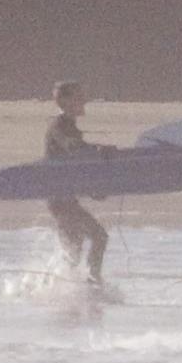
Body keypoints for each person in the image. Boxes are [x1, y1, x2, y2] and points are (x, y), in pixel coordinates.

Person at [41, 80, 110, 286]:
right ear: (64, 101)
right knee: (98, 237)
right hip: (59, 199)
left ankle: (49, 287)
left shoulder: (67, 125)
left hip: (64, 198)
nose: (84, 100)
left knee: (74, 250)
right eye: (78, 97)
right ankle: (92, 281)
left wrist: (91, 190)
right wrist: (97, 150)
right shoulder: (59, 126)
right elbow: (73, 147)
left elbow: (74, 166)